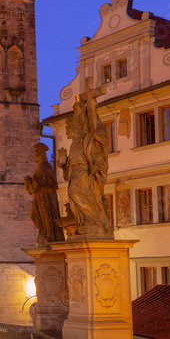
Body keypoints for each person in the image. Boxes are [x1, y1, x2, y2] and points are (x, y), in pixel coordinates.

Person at [61, 86, 112, 237]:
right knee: (73, 196)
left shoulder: (86, 139)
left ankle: (92, 218)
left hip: (84, 171)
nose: (67, 132)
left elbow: (95, 153)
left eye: (68, 130)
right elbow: (70, 165)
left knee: (76, 193)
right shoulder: (74, 143)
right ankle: (86, 221)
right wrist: (64, 164)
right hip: (75, 171)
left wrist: (96, 166)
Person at [25, 142, 64, 246]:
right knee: (36, 215)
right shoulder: (41, 165)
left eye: (36, 153)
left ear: (42, 154)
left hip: (44, 197)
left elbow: (38, 183)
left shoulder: (44, 165)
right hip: (41, 196)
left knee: (41, 214)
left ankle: (47, 234)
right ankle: (45, 233)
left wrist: (28, 180)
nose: (34, 155)